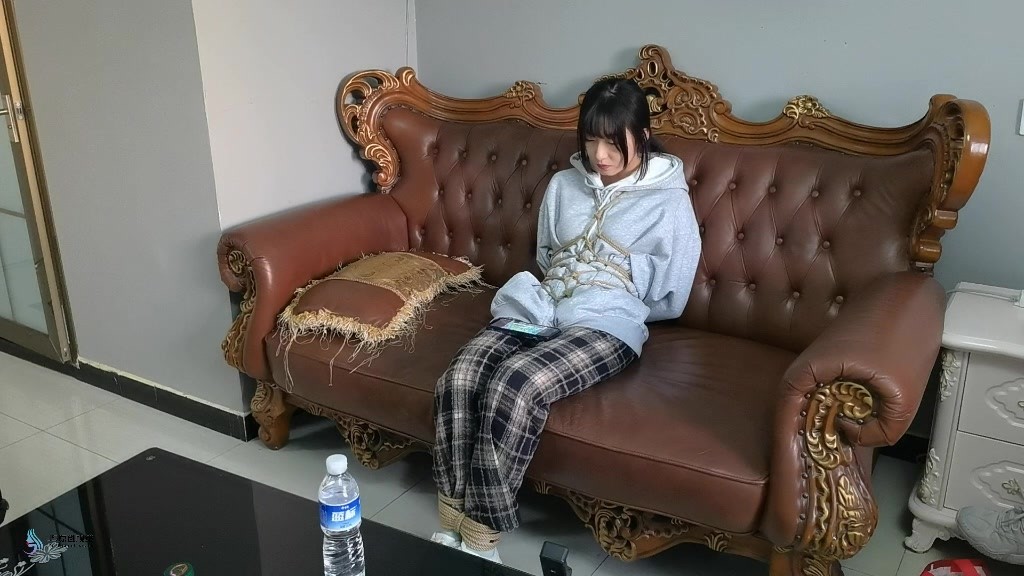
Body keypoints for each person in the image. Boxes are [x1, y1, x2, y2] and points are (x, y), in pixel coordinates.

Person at [430, 77, 702, 562]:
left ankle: (480, 540)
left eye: (614, 142)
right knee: (462, 375)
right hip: (543, 304)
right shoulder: (563, 186)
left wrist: (611, 288)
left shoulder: (669, 202)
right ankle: (452, 524)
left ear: (642, 135)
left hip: (608, 322)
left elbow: (671, 296)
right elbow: (546, 255)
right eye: (591, 140)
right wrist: (565, 287)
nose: (600, 155)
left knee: (516, 383)